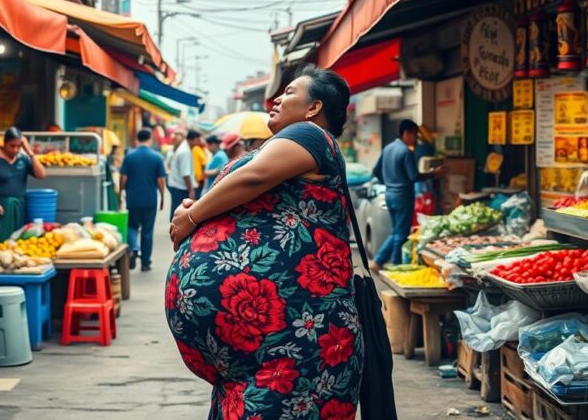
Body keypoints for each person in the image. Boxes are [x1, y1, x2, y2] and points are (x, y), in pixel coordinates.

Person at [166, 66, 362, 419]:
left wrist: (192, 219)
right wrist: (196, 212)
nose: (276, 99)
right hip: (266, 351)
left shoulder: (311, 135)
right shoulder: (292, 142)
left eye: (289, 93)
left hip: (300, 336)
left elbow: (254, 178)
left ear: (313, 108)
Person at [371, 119, 443, 272]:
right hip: (403, 196)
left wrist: (389, 182)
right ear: (407, 133)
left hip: (390, 195)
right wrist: (433, 173)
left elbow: (376, 170)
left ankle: (378, 261)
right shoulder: (405, 151)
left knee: (397, 231)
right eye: (415, 135)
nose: (415, 139)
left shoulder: (388, 148)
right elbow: (414, 177)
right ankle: (396, 266)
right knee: (401, 234)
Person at [0, 127, 46, 239]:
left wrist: (30, 153)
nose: (15, 150)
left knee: (17, 239)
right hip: (0, 208)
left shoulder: (23, 159)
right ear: (5, 143)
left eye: (18, 146)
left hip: (19, 207)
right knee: (1, 241)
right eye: (12, 146)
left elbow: (41, 175)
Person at [119, 129, 166, 272]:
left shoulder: (129, 156)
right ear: (150, 139)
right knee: (147, 232)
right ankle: (145, 263)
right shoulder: (157, 157)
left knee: (132, 227)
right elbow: (161, 180)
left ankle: (133, 248)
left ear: (137, 139)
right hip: (150, 200)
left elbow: (123, 178)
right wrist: (162, 197)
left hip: (133, 199)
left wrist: (120, 193)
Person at [167, 129, 196, 214]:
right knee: (179, 212)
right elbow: (185, 174)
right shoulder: (184, 151)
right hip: (180, 186)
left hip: (175, 184)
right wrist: (191, 190)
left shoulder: (177, 149)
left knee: (176, 210)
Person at [192, 131, 210, 198]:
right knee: (197, 195)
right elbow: (204, 162)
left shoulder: (201, 149)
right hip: (199, 177)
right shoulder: (196, 149)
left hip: (200, 177)